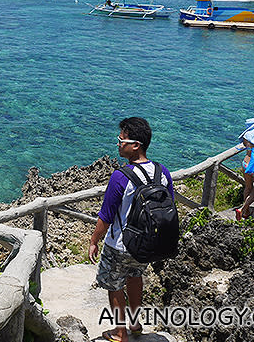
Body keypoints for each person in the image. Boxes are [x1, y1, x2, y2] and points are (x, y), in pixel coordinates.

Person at [89, 117, 174, 342]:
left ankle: (119, 333)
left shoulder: (120, 176)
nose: (118, 143)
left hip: (119, 244)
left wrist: (94, 241)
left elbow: (105, 217)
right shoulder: (162, 172)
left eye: (121, 140)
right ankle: (135, 324)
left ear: (135, 145)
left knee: (114, 286)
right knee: (135, 277)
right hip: (146, 243)